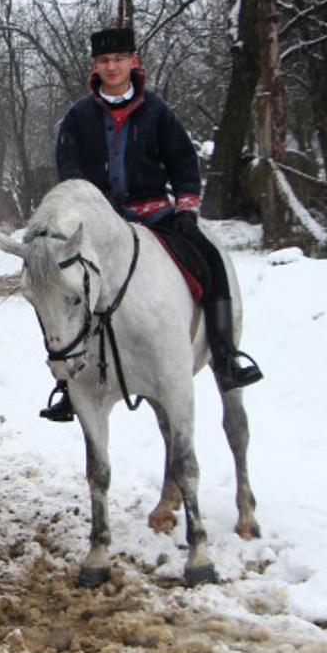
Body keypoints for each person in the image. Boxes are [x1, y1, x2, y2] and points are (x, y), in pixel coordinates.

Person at [40, 26, 263, 423]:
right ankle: (67, 381)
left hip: (155, 214)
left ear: (133, 62)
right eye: (105, 61)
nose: (112, 67)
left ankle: (226, 354)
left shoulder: (158, 112)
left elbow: (183, 166)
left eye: (119, 59)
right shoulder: (76, 119)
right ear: (94, 66)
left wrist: (186, 207)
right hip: (100, 227)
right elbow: (71, 176)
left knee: (210, 259)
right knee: (63, 287)